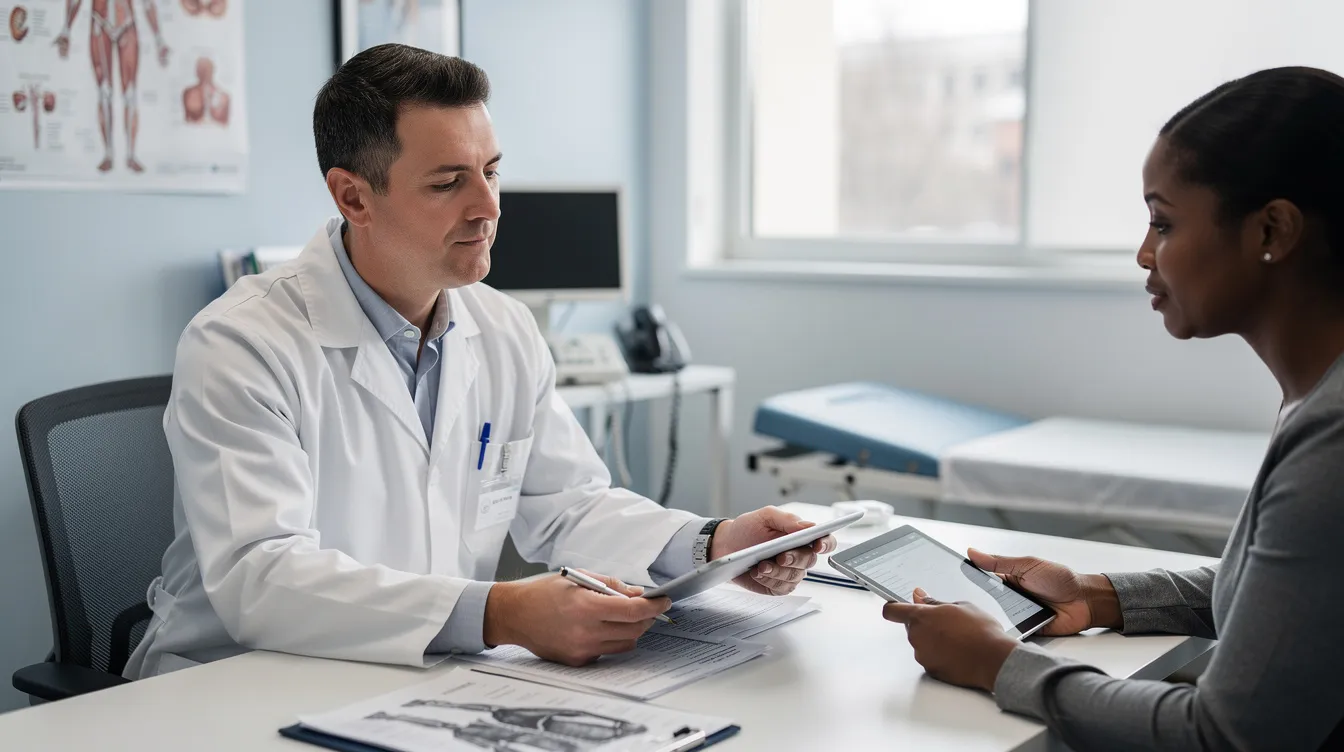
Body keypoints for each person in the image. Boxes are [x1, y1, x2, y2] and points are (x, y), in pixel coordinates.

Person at [123, 44, 835, 679]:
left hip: (411, 677)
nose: (489, 206)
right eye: (448, 182)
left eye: (492, 171)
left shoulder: (503, 327)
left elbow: (566, 506)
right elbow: (261, 579)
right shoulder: (242, 343)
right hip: (230, 682)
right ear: (353, 196)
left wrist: (713, 543)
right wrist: (498, 614)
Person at [880, 66, 1344, 750]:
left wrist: (1000, 665)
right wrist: (1096, 596)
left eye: (1164, 221)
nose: (1144, 253)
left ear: (1272, 228)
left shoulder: (1334, 438)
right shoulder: (1318, 398)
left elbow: (1225, 738)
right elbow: (1293, 598)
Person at [54, 0, 170, 173]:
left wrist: (159, 39)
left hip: (127, 24)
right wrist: (66, 29)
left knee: (130, 93)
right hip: (100, 24)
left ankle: (131, 155)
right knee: (104, 92)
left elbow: (147, 3)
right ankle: (108, 154)